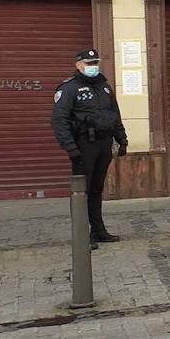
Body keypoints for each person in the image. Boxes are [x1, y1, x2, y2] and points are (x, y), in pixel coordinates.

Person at [51, 47, 127, 245]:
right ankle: (82, 235)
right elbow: (60, 120)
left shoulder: (104, 87)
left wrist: (122, 139)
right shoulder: (69, 89)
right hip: (84, 146)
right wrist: (71, 149)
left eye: (95, 63)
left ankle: (98, 231)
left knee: (96, 189)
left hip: (104, 144)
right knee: (81, 192)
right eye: (88, 64)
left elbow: (115, 115)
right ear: (78, 65)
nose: (93, 67)